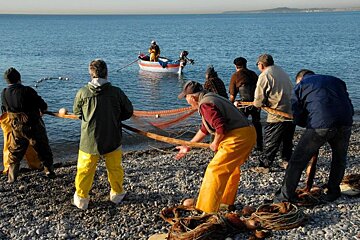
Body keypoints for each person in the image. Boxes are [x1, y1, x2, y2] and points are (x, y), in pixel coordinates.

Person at [176, 81, 256, 213]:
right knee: (231, 169)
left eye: (186, 98)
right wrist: (188, 145)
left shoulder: (205, 104)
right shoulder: (211, 97)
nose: (187, 101)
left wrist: (216, 143)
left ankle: (206, 210)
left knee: (215, 170)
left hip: (238, 137)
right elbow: (205, 128)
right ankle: (225, 202)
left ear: (193, 97)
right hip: (248, 133)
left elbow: (220, 127)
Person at [274, 70, 353, 203]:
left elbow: (297, 114)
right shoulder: (337, 80)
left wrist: (307, 125)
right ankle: (333, 191)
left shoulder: (301, 85)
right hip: (345, 121)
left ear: (299, 79)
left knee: (297, 161)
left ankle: (285, 196)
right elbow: (346, 103)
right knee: (339, 158)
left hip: (321, 124)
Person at [72, 59, 133, 210]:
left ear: (90, 73)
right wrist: (115, 117)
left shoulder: (83, 92)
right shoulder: (116, 92)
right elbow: (128, 111)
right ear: (106, 73)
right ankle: (117, 194)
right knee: (115, 168)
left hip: (89, 139)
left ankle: (81, 199)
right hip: (112, 137)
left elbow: (77, 112)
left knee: (84, 171)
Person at [1, 67, 55, 183]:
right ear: (19, 78)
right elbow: (43, 105)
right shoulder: (27, 90)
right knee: (43, 148)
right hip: (33, 126)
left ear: (7, 81)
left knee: (15, 152)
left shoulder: (4, 93)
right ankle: (49, 171)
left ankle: (12, 177)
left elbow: (4, 111)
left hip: (16, 127)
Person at [252, 54, 295, 173]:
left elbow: (259, 100)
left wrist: (257, 104)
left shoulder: (264, 75)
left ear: (261, 64)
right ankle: (286, 161)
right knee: (286, 139)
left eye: (258, 64)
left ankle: (264, 165)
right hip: (291, 110)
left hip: (277, 112)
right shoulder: (281, 70)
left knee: (271, 140)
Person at [229, 57, 263, 151]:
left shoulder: (235, 76)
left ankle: (242, 144)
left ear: (236, 66)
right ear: (245, 64)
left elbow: (232, 96)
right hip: (255, 103)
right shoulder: (253, 74)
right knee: (257, 123)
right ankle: (259, 145)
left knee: (240, 125)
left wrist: (228, 107)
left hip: (243, 104)